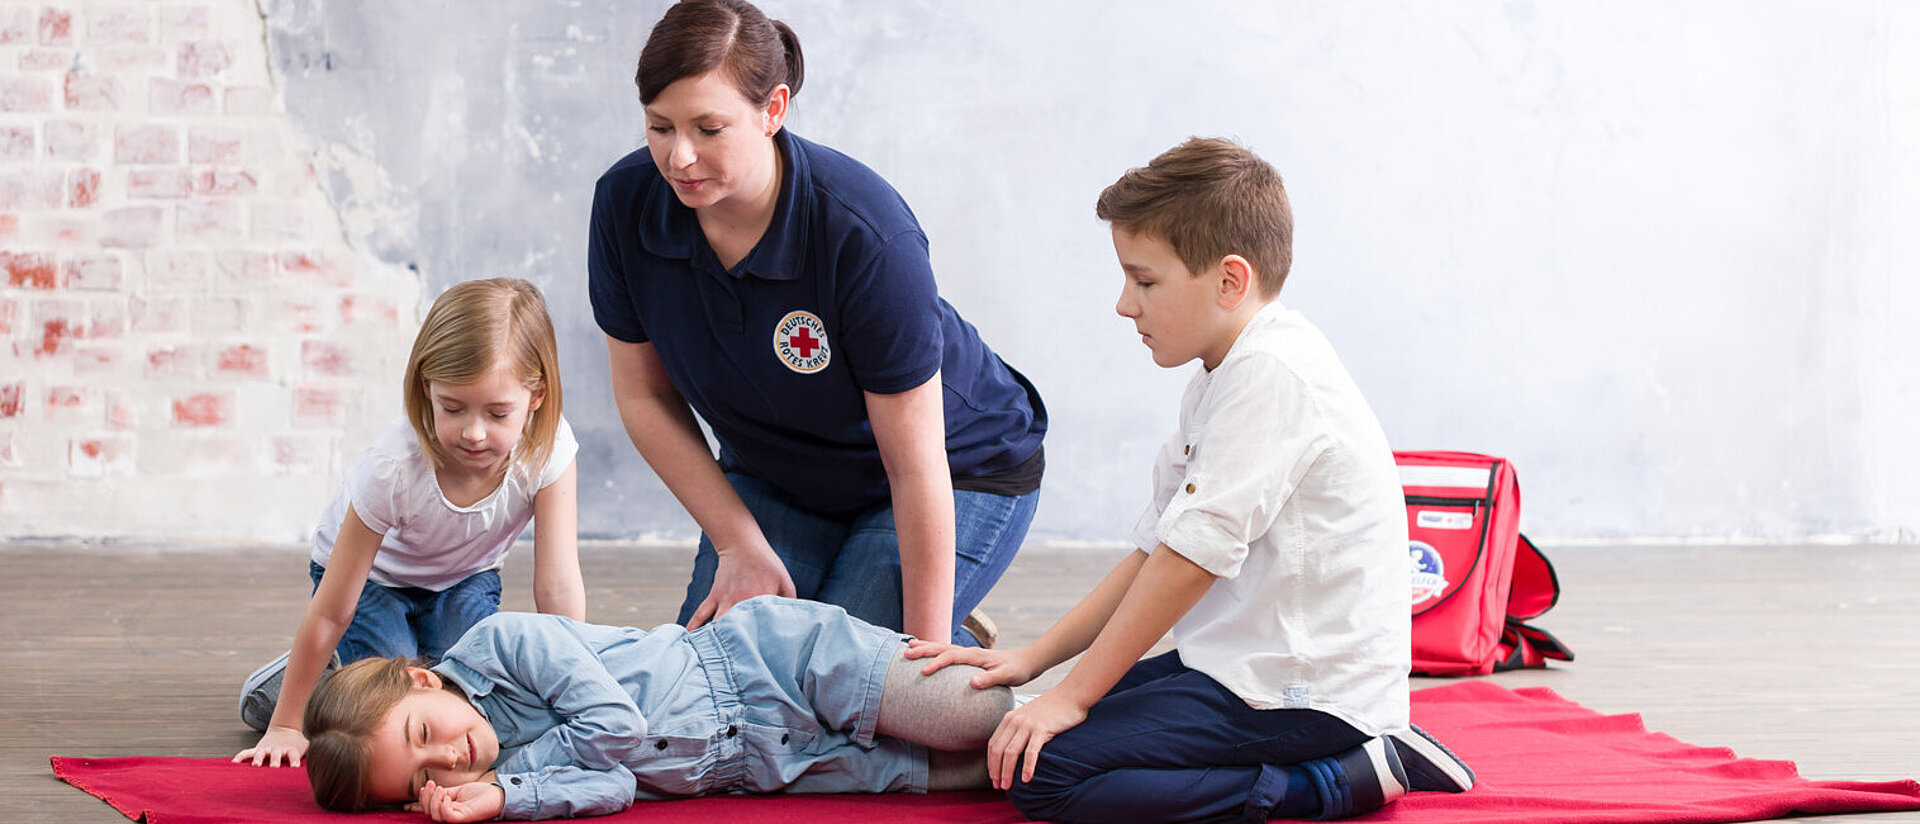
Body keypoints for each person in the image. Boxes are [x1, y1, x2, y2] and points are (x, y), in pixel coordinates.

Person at [905, 138, 1476, 823]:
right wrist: (1037, 663)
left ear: (1230, 281)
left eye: (1144, 281)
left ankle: (1336, 780)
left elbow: (1187, 564)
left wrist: (1075, 694)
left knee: (1044, 773)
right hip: (1242, 666)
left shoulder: (1272, 375)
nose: (1125, 304)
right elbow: (1154, 554)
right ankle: (1343, 753)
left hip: (1302, 691)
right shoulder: (1224, 370)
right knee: (1028, 727)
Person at [589, 0, 1046, 648]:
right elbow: (643, 394)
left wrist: (913, 663)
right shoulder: (625, 203)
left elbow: (916, 467)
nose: (680, 157)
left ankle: (944, 624)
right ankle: (864, 597)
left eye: (709, 128)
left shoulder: (865, 235)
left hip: (953, 469)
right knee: (713, 675)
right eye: (660, 127)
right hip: (779, 474)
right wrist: (736, 541)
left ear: (773, 110)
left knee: (833, 686)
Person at [233, 277, 584, 769]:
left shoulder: (549, 451)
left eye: (498, 413)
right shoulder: (394, 466)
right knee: (393, 706)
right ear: (427, 388)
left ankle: (353, 669)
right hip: (375, 582)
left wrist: (575, 686)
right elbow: (334, 608)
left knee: (471, 700)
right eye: (453, 408)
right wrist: (287, 726)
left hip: (463, 579)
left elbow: (558, 586)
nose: (474, 432)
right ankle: (317, 682)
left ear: (536, 398)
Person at [302, 597, 1013, 821]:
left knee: (977, 718)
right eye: (420, 776)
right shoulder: (498, 784)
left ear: (422, 681)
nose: (449, 758)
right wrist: (503, 798)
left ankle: (956, 650)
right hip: (767, 762)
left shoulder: (503, 641)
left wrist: (507, 784)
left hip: (770, 663)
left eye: (424, 734)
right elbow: (615, 786)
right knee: (1002, 770)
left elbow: (618, 728)